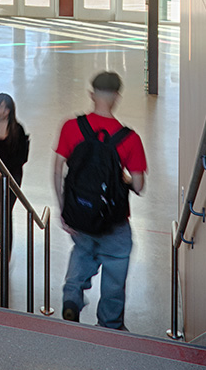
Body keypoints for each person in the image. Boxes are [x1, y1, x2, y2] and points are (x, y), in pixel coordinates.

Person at [53, 71, 147, 330]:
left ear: (92, 94)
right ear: (117, 97)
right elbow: (139, 186)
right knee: (115, 268)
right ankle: (109, 325)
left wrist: (64, 209)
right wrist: (124, 178)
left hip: (80, 214)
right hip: (114, 221)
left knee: (82, 251)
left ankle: (72, 297)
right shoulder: (130, 139)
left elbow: (57, 170)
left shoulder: (71, 127)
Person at [0, 93, 30, 256]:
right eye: (0, 107)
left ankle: (5, 243)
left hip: (13, 175)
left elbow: (22, 156)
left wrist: (4, 170)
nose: (3, 111)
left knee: (5, 209)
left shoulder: (18, 129)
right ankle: (1, 240)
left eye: (6, 108)